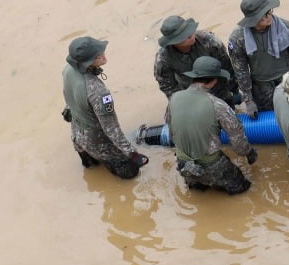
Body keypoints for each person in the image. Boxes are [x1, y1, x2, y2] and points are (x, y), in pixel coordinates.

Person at [165, 56, 258, 194]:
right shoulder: (217, 104)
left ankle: (199, 186)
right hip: (212, 165)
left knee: (199, 192)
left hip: (183, 163)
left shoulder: (174, 97)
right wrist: (249, 153)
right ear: (214, 80)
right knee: (242, 189)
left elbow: (170, 126)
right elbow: (238, 142)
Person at [61, 36, 149, 179]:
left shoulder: (68, 70)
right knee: (131, 173)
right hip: (96, 142)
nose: (103, 56)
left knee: (90, 170)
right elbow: (111, 128)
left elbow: (68, 96)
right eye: (98, 56)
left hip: (77, 135)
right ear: (88, 62)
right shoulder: (98, 92)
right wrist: (132, 153)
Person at [226, 0, 289, 117]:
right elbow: (241, 71)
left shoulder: (285, 27)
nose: (270, 16)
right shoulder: (238, 39)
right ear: (254, 19)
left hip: (288, 79)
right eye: (265, 14)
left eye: (269, 11)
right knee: (270, 118)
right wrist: (249, 100)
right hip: (262, 87)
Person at [153, 14, 239, 105]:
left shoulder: (209, 41)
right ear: (173, 42)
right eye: (184, 37)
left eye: (189, 32)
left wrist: (234, 89)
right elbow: (168, 87)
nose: (190, 36)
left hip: (218, 86)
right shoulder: (163, 58)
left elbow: (226, 66)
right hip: (190, 92)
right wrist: (181, 104)